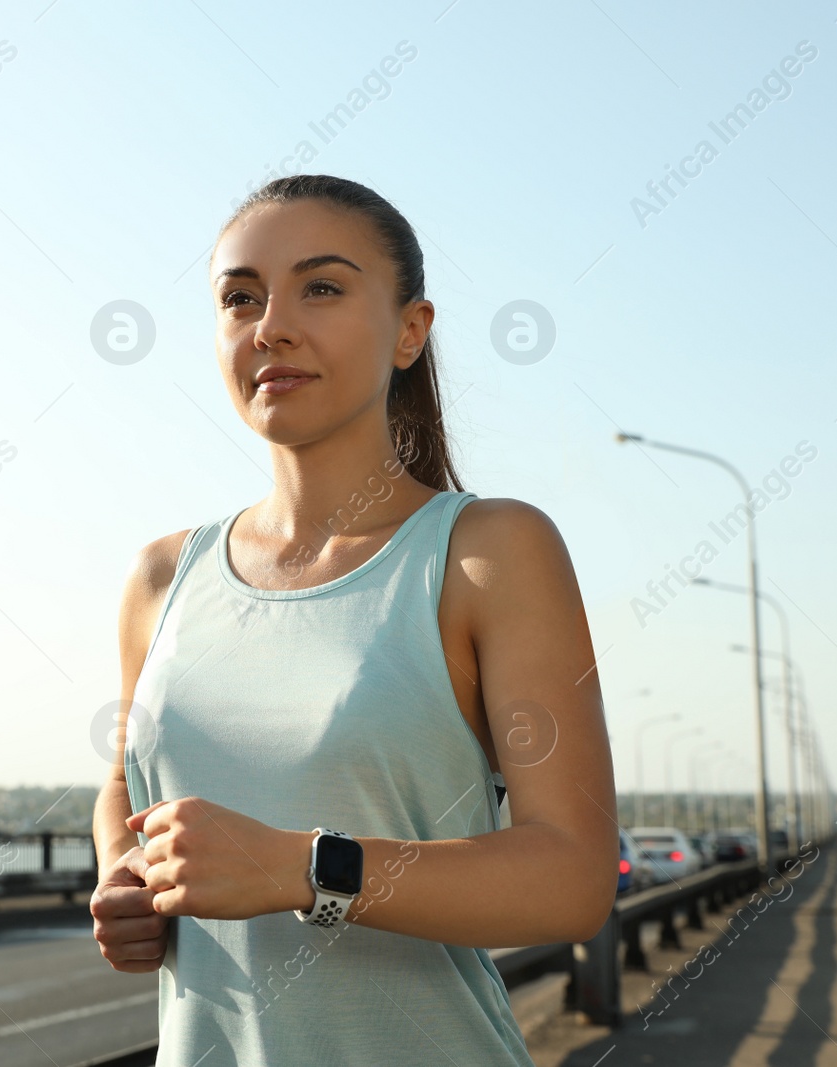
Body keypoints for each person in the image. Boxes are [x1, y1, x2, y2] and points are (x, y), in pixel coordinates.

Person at [90, 174, 617, 1066]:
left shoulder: (489, 553)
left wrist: (302, 867)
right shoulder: (160, 576)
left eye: (321, 287)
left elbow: (571, 877)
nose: (272, 325)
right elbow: (125, 784)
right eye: (239, 297)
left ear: (411, 330)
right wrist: (122, 874)